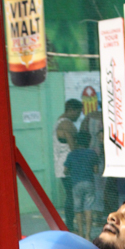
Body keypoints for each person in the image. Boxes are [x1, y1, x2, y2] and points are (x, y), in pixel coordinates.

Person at [53, 99, 83, 231]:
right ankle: (69, 226)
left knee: (70, 195)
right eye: (77, 113)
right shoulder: (66, 124)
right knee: (71, 196)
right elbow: (73, 147)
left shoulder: (59, 121)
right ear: (71, 110)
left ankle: (70, 225)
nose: (78, 116)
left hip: (62, 165)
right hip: (69, 167)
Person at [64, 131, 99, 241]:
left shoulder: (71, 154)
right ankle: (88, 234)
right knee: (88, 209)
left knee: (78, 209)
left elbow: (65, 171)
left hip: (76, 184)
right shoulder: (92, 153)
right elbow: (96, 170)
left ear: (77, 141)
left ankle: (81, 233)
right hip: (89, 182)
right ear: (89, 141)